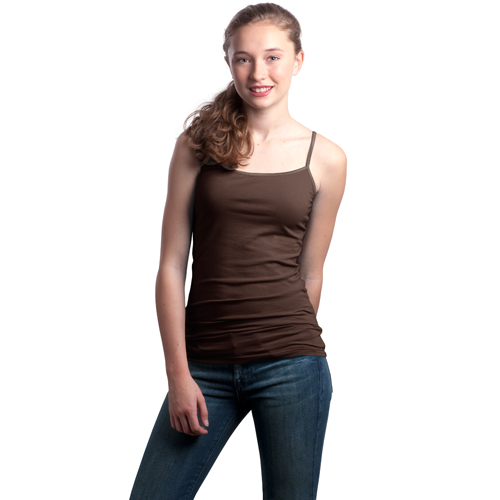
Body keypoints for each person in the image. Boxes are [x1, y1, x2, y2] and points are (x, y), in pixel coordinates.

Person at [129, 3, 347, 499]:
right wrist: (178, 374)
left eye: (273, 57)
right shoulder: (197, 145)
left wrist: (279, 342)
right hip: (204, 366)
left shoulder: (327, 159)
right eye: (244, 58)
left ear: (298, 60)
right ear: (228, 61)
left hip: (292, 366)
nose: (258, 72)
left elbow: (311, 273)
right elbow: (170, 266)